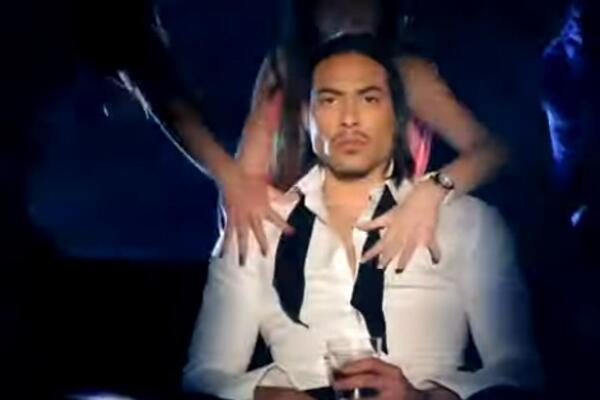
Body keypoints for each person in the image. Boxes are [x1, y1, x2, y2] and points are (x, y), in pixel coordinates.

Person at [183, 34, 542, 400]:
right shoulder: (255, 226)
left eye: (369, 99)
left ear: (397, 116)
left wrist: (421, 398)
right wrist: (268, 396)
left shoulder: (468, 222)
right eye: (329, 100)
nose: (349, 119)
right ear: (306, 116)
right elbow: (204, 375)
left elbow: (520, 371)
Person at [229, 0, 509, 269]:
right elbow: (246, 179)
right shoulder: (285, 69)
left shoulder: (408, 73)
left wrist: (434, 189)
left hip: (389, 244)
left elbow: (491, 150)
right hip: (291, 251)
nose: (351, 12)